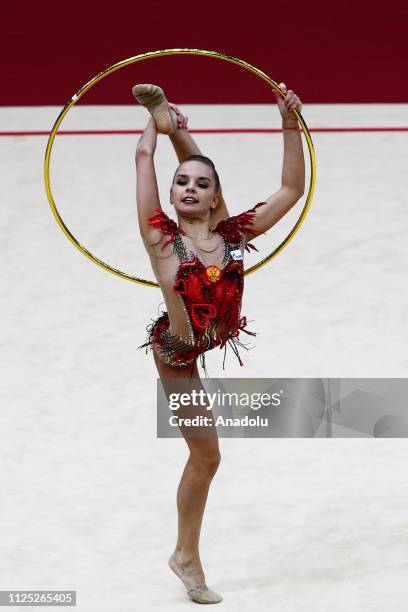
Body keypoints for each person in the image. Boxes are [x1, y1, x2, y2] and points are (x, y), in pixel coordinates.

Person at [133, 83, 304, 603]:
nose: (188, 187)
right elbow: (144, 156)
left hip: (214, 338)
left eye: (201, 184)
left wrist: (290, 122)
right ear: (170, 193)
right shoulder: (162, 239)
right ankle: (185, 555)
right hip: (179, 357)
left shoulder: (231, 236)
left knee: (209, 458)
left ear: (215, 196)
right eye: (181, 182)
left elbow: (291, 190)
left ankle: (185, 554)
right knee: (207, 457)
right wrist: (155, 122)